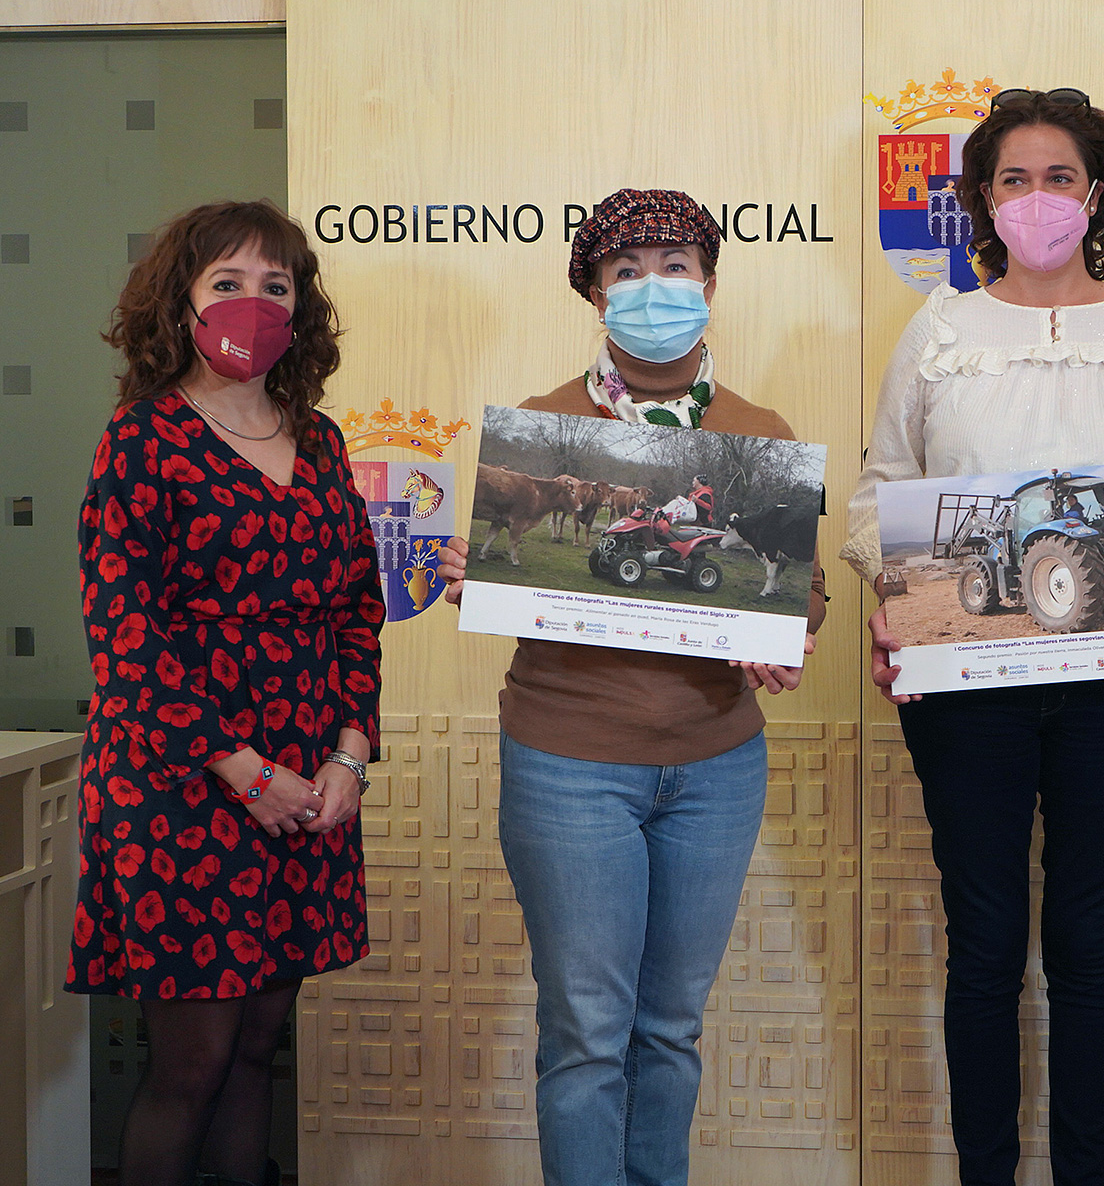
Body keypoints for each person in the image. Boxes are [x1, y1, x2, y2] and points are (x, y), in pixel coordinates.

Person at [844, 88, 1104, 1186]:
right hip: (969, 685)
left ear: (1096, 193)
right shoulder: (940, 332)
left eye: (1058, 176)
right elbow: (883, 492)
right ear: (982, 200)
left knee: (1089, 950)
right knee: (983, 950)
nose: (1037, 197)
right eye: (1013, 179)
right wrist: (894, 598)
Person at [435, 188, 827, 1186]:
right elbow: (531, 592)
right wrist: (477, 577)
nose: (655, 288)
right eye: (627, 270)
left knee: (670, 1031)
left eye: (676, 266)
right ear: (595, 293)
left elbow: (803, 590)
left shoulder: (757, 430)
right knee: (585, 1033)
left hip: (716, 764)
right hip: (569, 765)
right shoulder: (541, 431)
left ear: (709, 281)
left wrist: (785, 633)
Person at [68, 200, 383, 1186]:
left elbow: (356, 612)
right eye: (227, 283)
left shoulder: (323, 444)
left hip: (305, 787)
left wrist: (348, 754)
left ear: (302, 310)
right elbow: (127, 632)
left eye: (275, 286)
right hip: (182, 787)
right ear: (181, 302)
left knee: (256, 1051)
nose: (253, 301)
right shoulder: (141, 443)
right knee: (192, 1063)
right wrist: (244, 772)